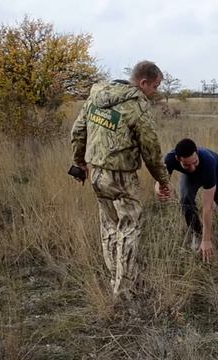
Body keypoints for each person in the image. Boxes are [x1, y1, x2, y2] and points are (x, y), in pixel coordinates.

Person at [70, 60, 172, 298]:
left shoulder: (96, 95)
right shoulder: (137, 105)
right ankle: (124, 291)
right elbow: (151, 149)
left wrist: (79, 163)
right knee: (129, 228)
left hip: (95, 173)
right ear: (143, 82)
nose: (155, 91)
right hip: (122, 177)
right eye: (155, 86)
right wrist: (163, 180)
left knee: (109, 226)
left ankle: (115, 278)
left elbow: (77, 131)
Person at [155, 138, 218, 262]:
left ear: (197, 153)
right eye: (186, 165)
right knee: (186, 199)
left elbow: (207, 207)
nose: (192, 167)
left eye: (195, 162)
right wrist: (159, 190)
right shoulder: (170, 159)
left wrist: (207, 240)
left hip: (215, 174)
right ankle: (196, 233)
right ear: (178, 159)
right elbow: (160, 181)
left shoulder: (209, 162)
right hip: (190, 178)